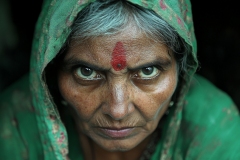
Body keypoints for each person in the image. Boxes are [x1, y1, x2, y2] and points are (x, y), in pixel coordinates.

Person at [1, 0, 240, 159]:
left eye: (148, 71)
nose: (117, 110)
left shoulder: (214, 129)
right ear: (52, 72)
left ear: (181, 72)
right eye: (86, 72)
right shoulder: (13, 127)